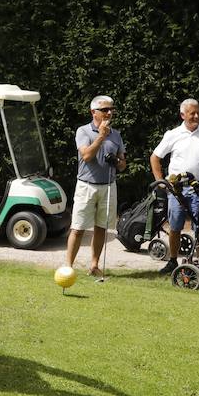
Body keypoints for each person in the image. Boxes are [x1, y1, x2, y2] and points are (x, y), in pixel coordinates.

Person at [149, 98, 199, 273]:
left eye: (198, 112)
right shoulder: (173, 134)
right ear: (182, 115)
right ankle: (172, 261)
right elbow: (155, 157)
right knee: (175, 226)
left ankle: (197, 262)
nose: (196, 116)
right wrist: (161, 182)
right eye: (192, 113)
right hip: (176, 188)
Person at [64, 96, 126, 281]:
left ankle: (94, 265)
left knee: (101, 228)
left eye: (111, 109)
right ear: (93, 112)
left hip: (108, 186)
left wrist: (116, 161)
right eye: (105, 109)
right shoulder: (83, 131)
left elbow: (123, 165)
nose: (109, 113)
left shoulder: (116, 135)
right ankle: (68, 267)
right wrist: (100, 136)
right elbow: (87, 155)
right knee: (77, 228)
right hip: (86, 186)